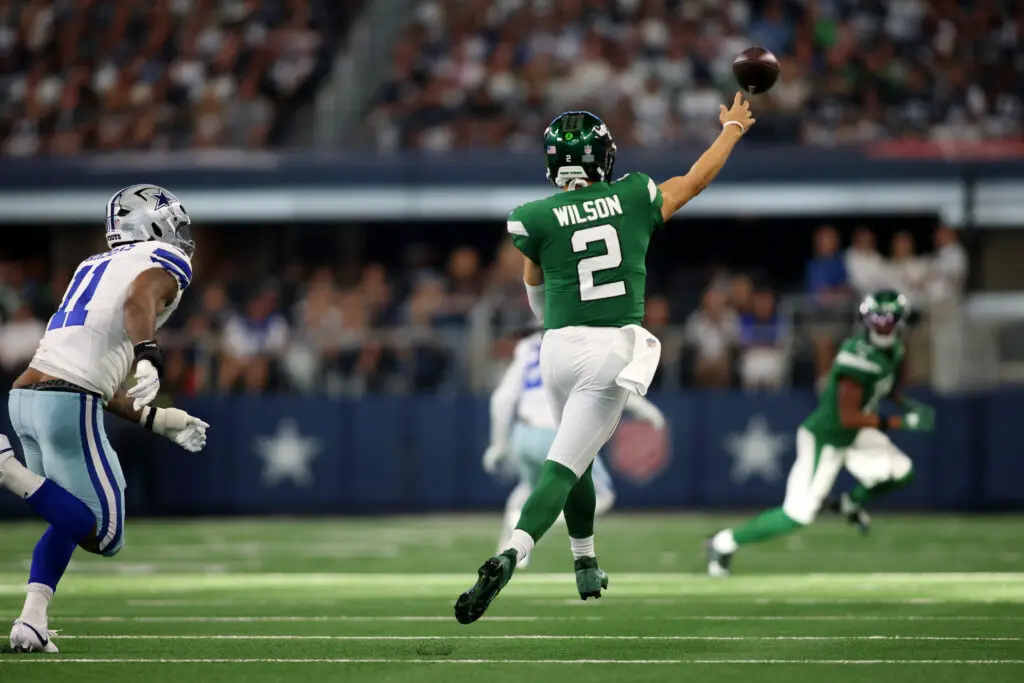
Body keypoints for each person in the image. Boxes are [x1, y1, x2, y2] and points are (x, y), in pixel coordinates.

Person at [455, 93, 755, 624]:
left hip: (556, 347)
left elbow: (534, 292)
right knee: (562, 466)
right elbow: (693, 181)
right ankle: (513, 552)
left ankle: (585, 561)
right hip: (609, 347)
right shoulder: (634, 193)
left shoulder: (533, 217)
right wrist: (731, 128)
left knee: (579, 459)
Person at [0, 185, 209, 653]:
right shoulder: (160, 263)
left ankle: (32, 618)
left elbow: (95, 374)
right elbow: (139, 299)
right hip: (65, 401)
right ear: (151, 226)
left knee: (69, 518)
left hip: (28, 399)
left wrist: (160, 420)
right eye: (172, 222)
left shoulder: (91, 265)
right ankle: (5, 468)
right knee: (105, 531)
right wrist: (149, 355)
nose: (180, 234)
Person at [706, 290, 934, 577]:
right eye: (879, 319)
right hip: (827, 436)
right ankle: (724, 543)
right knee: (797, 515)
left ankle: (851, 501)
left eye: (890, 319)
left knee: (902, 472)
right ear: (867, 320)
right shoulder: (857, 357)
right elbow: (848, 417)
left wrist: (907, 404)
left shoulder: (895, 351)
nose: (884, 325)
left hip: (854, 433)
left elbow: (883, 388)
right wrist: (902, 423)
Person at [482, 328, 666, 568]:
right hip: (556, 433)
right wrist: (648, 411)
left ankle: (508, 555)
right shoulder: (579, 340)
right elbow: (604, 385)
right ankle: (524, 528)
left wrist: (499, 444)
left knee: (529, 488)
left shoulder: (527, 346)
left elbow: (502, 399)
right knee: (603, 495)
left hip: (523, 433)